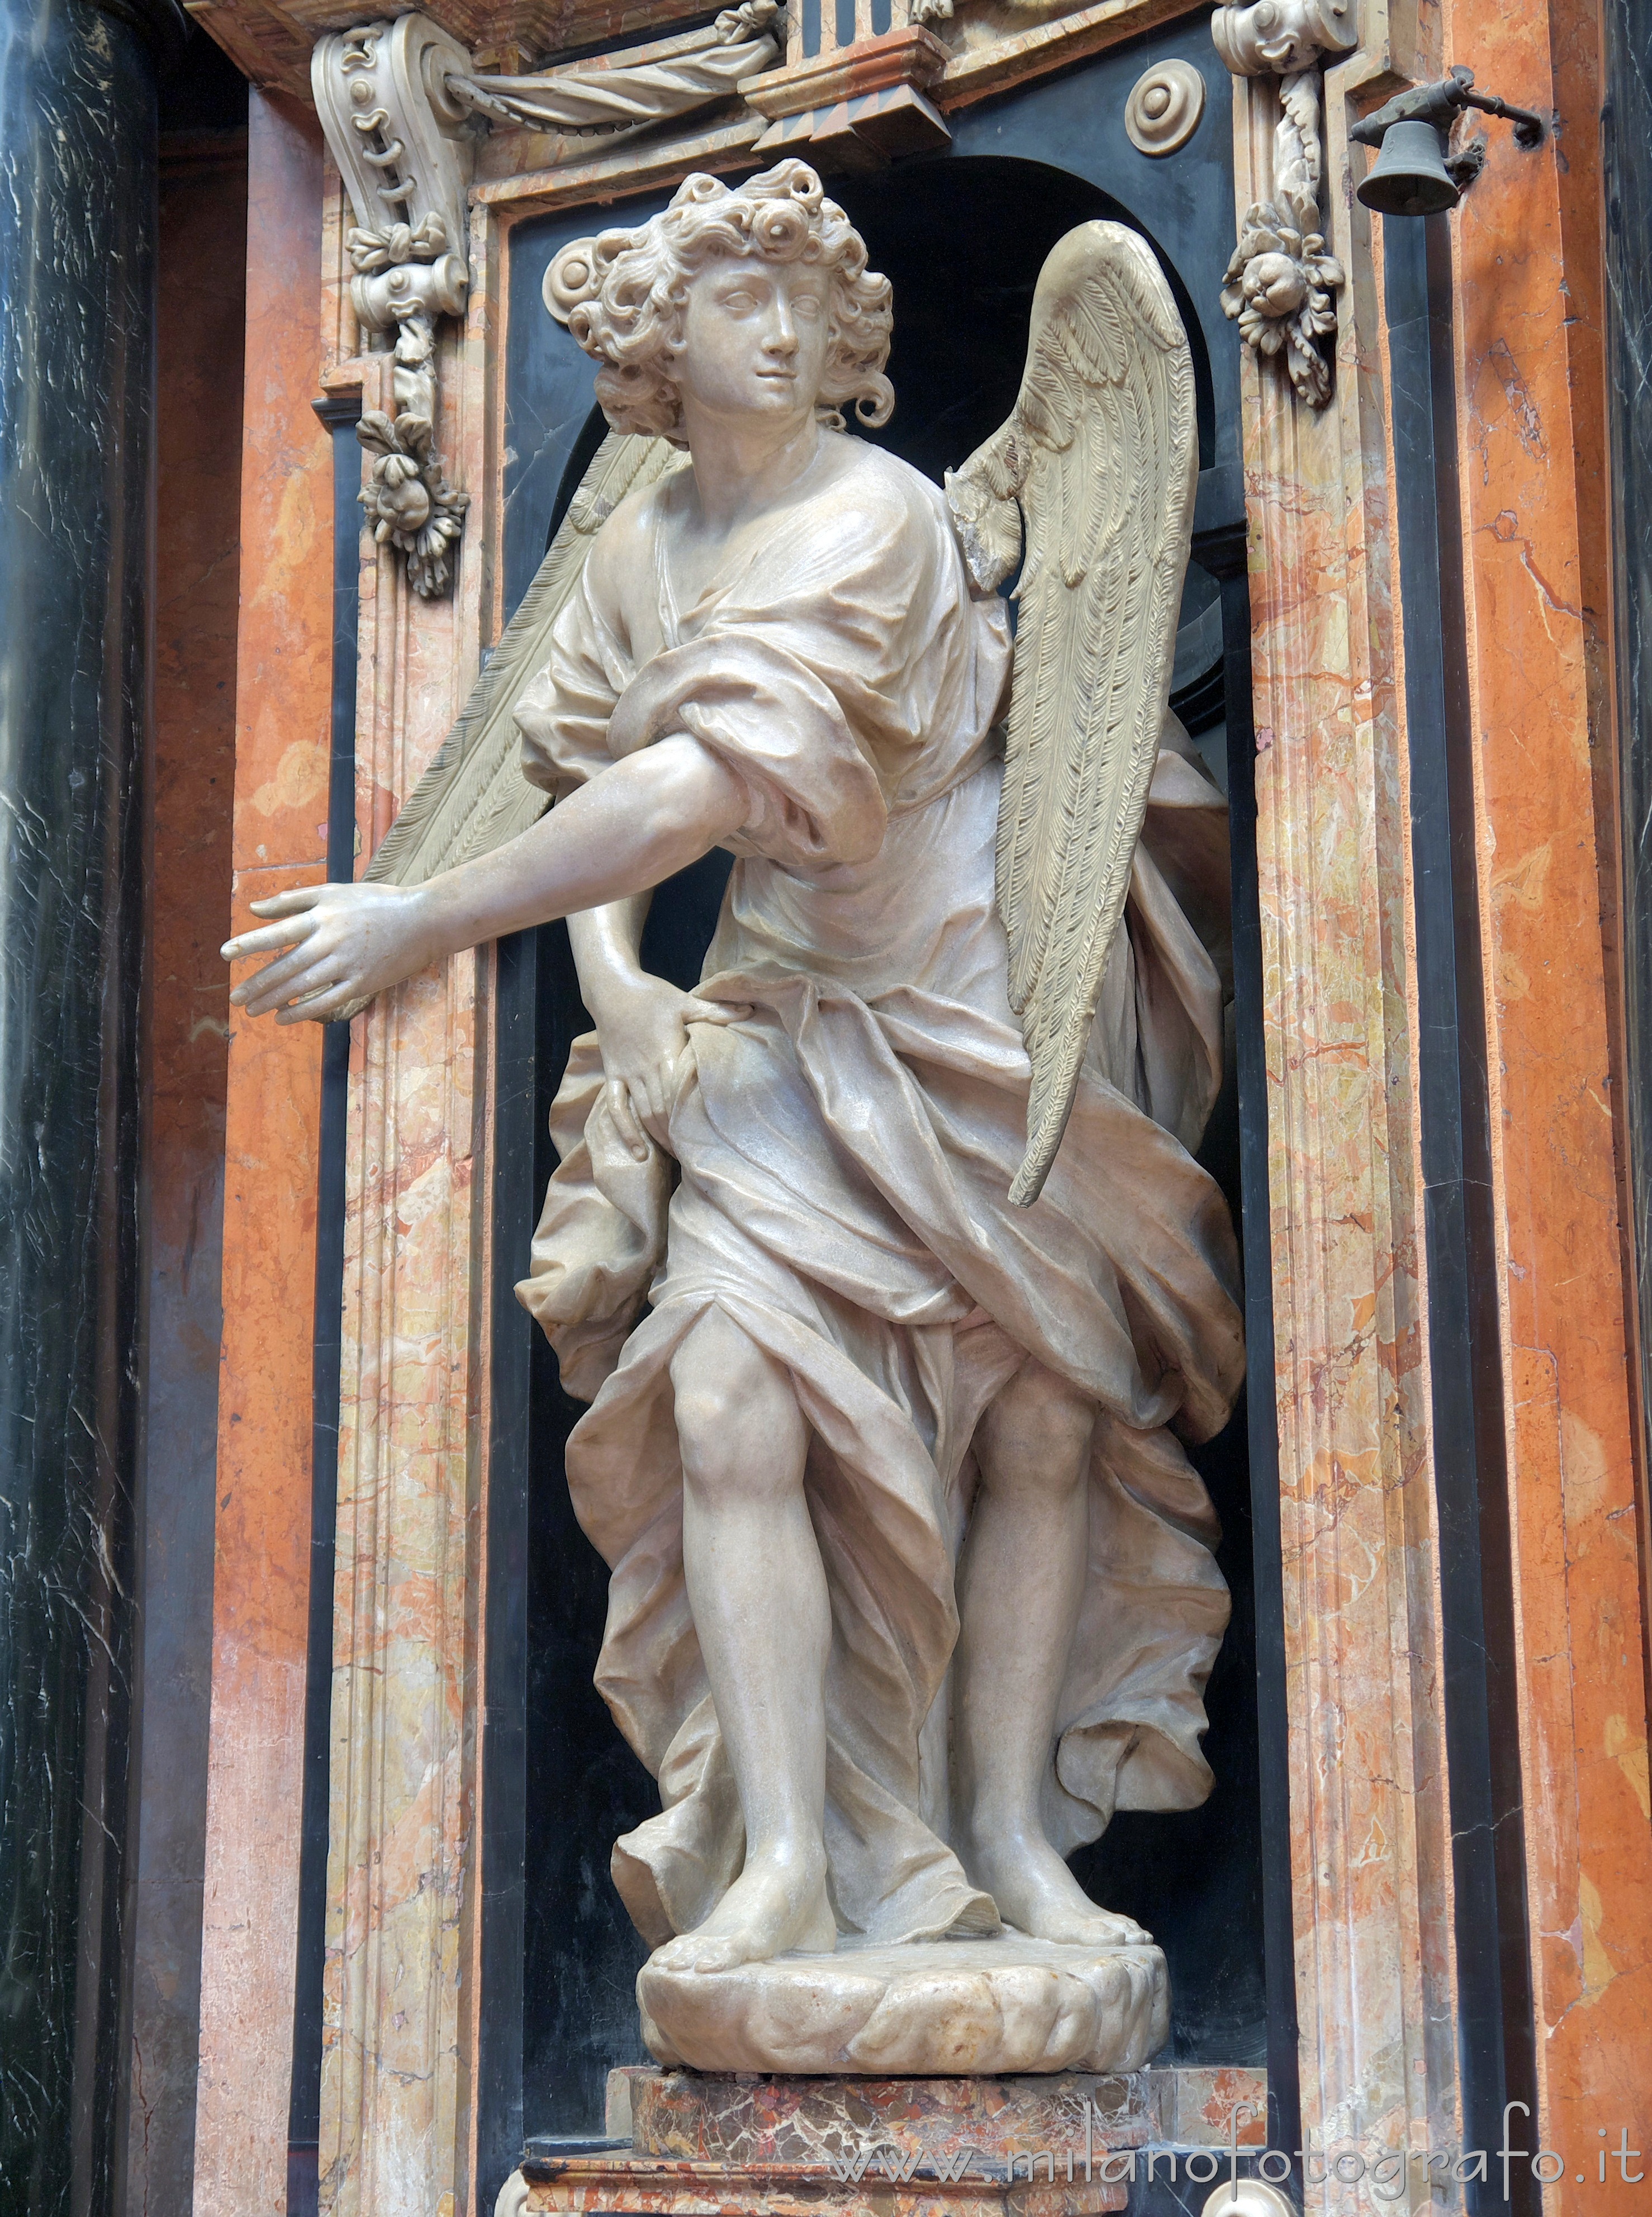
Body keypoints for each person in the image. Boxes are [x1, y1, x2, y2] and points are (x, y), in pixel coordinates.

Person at [222, 160, 1243, 1978]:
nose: (781, 329)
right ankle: (779, 1862)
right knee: (726, 1407)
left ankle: (1010, 1835)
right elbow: (576, 773)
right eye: (735, 298)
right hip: (776, 1010)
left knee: (1038, 1411)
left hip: (964, 996)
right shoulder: (632, 545)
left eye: (804, 300)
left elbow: (692, 793)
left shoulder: (877, 518)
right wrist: (610, 984)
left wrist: (420, 922)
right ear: (655, 337)